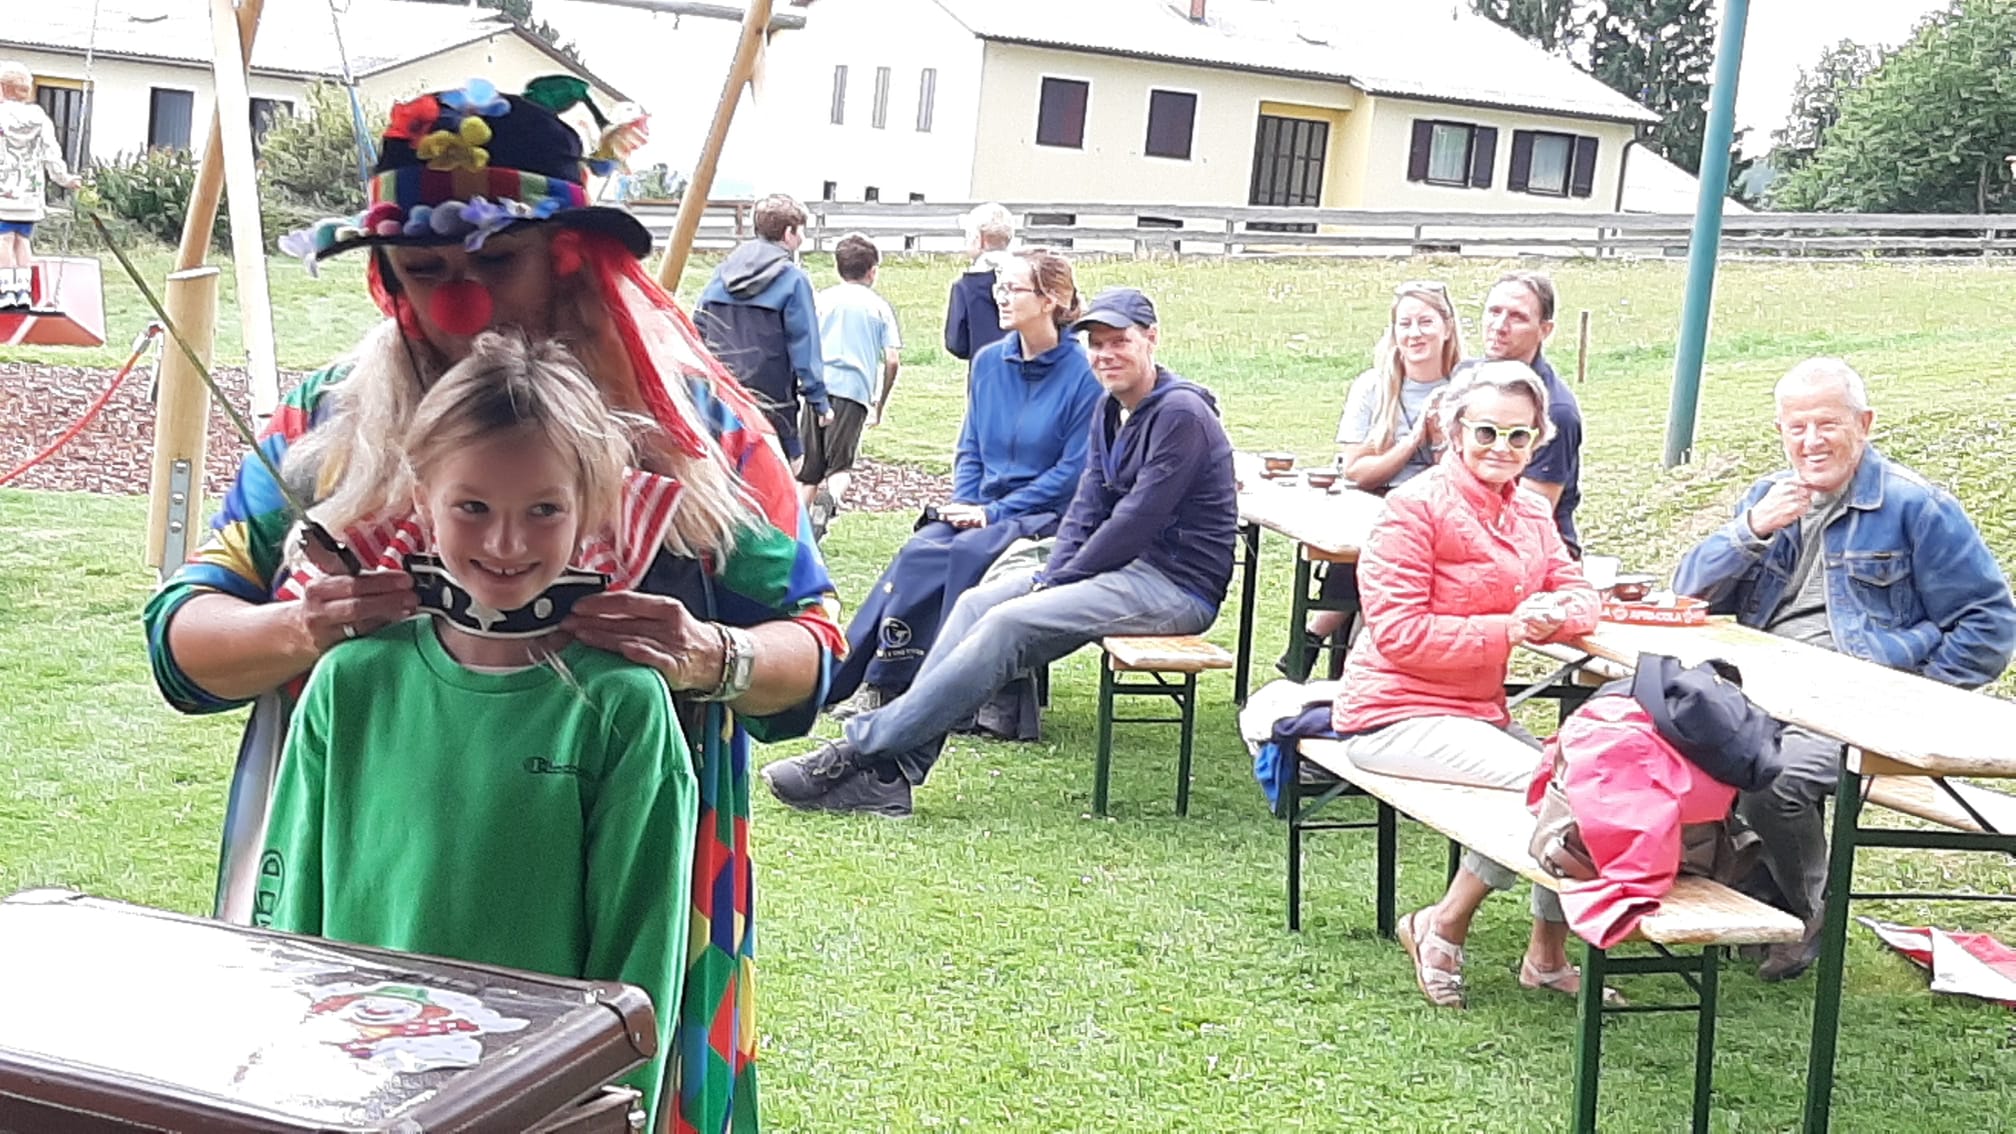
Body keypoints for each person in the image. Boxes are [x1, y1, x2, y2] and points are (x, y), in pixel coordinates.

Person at [143, 78, 841, 1134]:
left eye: (495, 263)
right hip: (373, 869)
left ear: (572, 257)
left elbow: (816, 650)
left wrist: (713, 655)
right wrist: (307, 626)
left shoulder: (699, 438)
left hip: (624, 877)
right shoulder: (321, 430)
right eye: (424, 272)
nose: (457, 303)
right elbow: (182, 640)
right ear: (387, 275)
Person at [254, 332, 696, 1134]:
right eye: (473, 507)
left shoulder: (624, 708)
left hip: (538, 1111)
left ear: (592, 507)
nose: (505, 543)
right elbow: (285, 926)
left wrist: (605, 1117)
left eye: (543, 510)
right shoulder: (350, 684)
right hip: (351, 1096)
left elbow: (642, 959)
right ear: (422, 497)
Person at [769, 287, 1238, 818]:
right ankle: (889, 777)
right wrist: (1055, 572)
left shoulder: (1181, 414)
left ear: (1151, 339)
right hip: (1120, 571)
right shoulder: (1111, 410)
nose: (1106, 354)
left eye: (1120, 341)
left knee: (1008, 623)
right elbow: (1088, 506)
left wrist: (1057, 581)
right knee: (976, 602)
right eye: (1096, 344)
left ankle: (859, 751)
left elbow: (1135, 522)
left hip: (1173, 586)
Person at [1674, 357, 2016, 981]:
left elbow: (1990, 625)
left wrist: (1912, 696)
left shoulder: (1915, 507)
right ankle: (1744, 887)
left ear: (1864, 424)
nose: (1812, 441)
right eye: (1796, 427)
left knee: (1773, 780)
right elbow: (1688, 592)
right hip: (1763, 691)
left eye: (1827, 424)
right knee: (1660, 735)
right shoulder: (1768, 497)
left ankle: (1808, 913)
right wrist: (1752, 528)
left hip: (1857, 709)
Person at [1327, 360, 1604, 1009]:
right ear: (1453, 432)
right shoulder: (1412, 508)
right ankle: (1442, 925)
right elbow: (1398, 633)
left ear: (1536, 441)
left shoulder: (1531, 510)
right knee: (1551, 788)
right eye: (1486, 432)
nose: (1501, 448)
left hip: (1477, 711)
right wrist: (1509, 628)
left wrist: (1558, 613)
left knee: (1583, 780)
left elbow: (1578, 588)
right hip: (1390, 713)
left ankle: (1545, 954)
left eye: (1518, 436)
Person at [824, 248, 1100, 718]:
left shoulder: (1085, 375)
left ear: (1049, 300)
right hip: (982, 507)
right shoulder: (989, 362)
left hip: (1043, 515)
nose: (1000, 298)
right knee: (921, 551)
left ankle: (949, 694)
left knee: (971, 554)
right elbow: (969, 447)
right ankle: (878, 681)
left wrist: (991, 513)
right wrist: (966, 503)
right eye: (999, 288)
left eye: (1012, 289)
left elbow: (1071, 472)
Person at [1284, 280, 1465, 675]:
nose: (1414, 334)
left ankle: (1314, 637)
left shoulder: (1464, 390)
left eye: (1425, 322)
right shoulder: (1373, 386)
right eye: (1405, 324)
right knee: (1373, 537)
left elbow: (1459, 477)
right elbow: (1357, 471)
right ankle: (1330, 649)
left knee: (1392, 545)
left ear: (1447, 327)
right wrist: (1413, 439)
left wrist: (1435, 442)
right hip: (1374, 503)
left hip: (1435, 513)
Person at [696, 192, 828, 466]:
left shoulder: (722, 274)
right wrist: (819, 401)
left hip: (723, 393)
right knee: (779, 471)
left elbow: (698, 326)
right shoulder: (793, 280)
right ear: (789, 233)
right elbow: (804, 346)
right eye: (801, 230)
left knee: (725, 469)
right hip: (772, 400)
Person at [1473, 270, 1583, 556]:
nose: (1499, 326)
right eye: (1494, 311)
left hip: (1534, 550)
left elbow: (1531, 518)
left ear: (1545, 330)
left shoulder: (1555, 411)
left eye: (1517, 317)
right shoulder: (1466, 381)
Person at [800, 231, 901, 536]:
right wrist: (879, 402)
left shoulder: (822, 300)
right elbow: (892, 360)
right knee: (840, 466)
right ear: (872, 271)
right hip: (853, 392)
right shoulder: (878, 307)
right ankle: (830, 499)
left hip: (817, 389)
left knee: (808, 471)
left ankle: (798, 532)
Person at [0, 62, 81, 275]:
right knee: (22, 239)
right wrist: (64, 179)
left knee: (3, 239)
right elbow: (51, 153)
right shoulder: (40, 118)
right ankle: (24, 285)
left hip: (3, 193)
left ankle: (4, 285)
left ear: (3, 87)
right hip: (30, 195)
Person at [944, 202, 1015, 373]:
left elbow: (957, 344)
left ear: (979, 240)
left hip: (985, 374)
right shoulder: (1026, 278)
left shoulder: (966, 286)